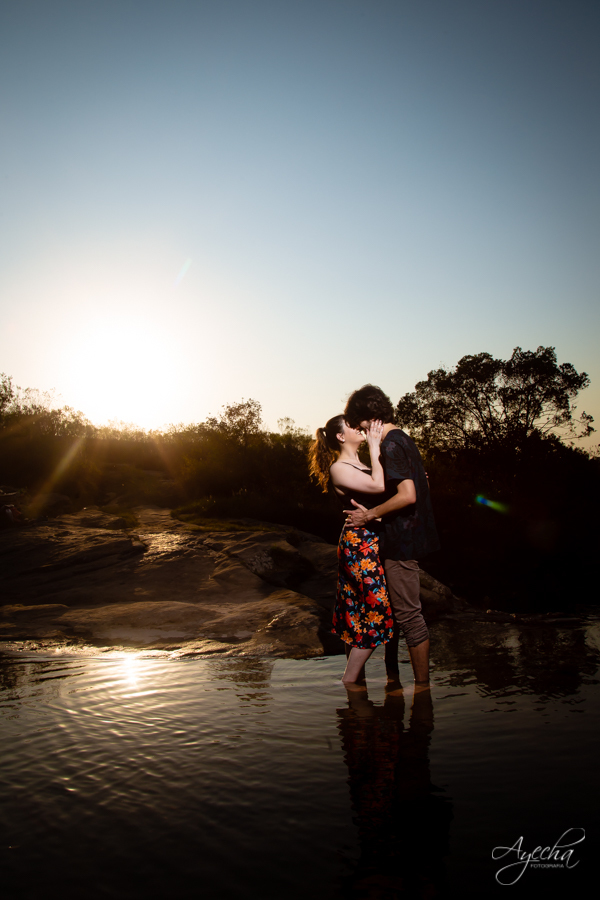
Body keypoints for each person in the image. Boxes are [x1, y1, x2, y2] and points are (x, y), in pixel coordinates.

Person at [344, 385, 440, 692]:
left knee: (410, 617)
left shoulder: (391, 445)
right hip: (406, 537)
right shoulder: (403, 438)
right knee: (400, 615)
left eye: (358, 422)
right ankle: (394, 680)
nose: (358, 429)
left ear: (369, 417)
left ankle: (422, 692)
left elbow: (408, 495)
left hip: (402, 543)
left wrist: (369, 515)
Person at [309, 416, 394, 686]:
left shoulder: (361, 464)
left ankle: (356, 692)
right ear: (341, 437)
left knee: (356, 614)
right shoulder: (339, 468)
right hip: (359, 546)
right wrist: (374, 445)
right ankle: (349, 680)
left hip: (372, 541)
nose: (358, 426)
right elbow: (379, 487)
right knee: (378, 612)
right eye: (350, 424)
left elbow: (384, 495)